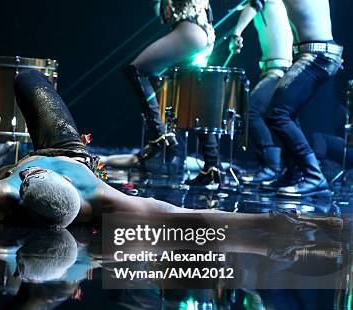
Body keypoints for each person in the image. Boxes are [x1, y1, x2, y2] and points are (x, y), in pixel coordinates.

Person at [0, 71, 341, 232]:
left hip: (30, 163)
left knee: (19, 85)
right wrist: (283, 225)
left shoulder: (2, 194)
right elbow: (196, 217)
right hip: (70, 149)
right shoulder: (113, 206)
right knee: (24, 79)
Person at [125, 0, 221, 186]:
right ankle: (211, 167)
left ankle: (160, 136)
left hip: (190, 30)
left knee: (136, 70)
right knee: (194, 95)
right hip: (205, 33)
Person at [259, 0, 343, 197]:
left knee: (278, 113)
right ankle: (292, 175)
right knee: (287, 113)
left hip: (317, 54)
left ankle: (314, 176)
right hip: (316, 52)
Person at [228, 0, 294, 186]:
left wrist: (236, 32)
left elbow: (253, 5)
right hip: (276, 69)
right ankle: (286, 168)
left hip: (279, 70)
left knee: (251, 111)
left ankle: (272, 166)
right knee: (280, 118)